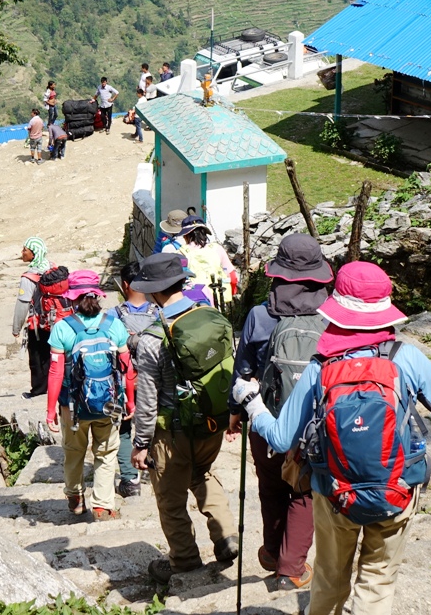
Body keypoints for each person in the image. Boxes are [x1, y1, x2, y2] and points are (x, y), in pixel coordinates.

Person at [233, 261, 431, 615]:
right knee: (377, 580)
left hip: (334, 492)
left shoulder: (320, 366)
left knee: (330, 579)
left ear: (337, 309)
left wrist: (252, 402)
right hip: (397, 487)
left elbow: (282, 440)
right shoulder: (405, 357)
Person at [227, 234, 333, 590]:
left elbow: (242, 369)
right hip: (314, 424)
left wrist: (235, 411)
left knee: (271, 485)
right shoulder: (331, 316)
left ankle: (272, 552)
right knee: (304, 491)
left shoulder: (260, 315)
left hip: (265, 418)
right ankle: (291, 569)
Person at [129, 253, 239, 583]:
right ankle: (226, 537)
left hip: (171, 434)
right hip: (211, 422)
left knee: (170, 500)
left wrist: (140, 444)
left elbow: (147, 400)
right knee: (202, 474)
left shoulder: (151, 338)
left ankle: (184, 562)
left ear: (153, 291)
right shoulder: (209, 316)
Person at [46, 270, 134, 521]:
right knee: (106, 453)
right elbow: (127, 367)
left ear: (72, 298)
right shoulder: (113, 324)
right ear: (97, 294)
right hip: (109, 403)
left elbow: (55, 371)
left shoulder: (63, 328)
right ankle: (103, 506)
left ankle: (75, 497)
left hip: (72, 405)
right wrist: (131, 400)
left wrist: (51, 409)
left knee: (74, 451)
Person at [114, 261, 162, 498]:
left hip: (125, 381)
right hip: (155, 380)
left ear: (124, 285)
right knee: (154, 424)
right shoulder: (159, 314)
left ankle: (130, 480)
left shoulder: (114, 316)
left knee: (123, 429)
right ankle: (156, 469)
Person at [13, 236, 54, 398]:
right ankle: (54, 386)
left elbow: (22, 305)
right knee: (52, 354)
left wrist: (16, 328)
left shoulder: (28, 277)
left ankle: (38, 390)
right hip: (55, 319)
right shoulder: (52, 268)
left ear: (34, 253)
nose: (22, 253)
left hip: (37, 323)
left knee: (37, 358)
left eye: (25, 250)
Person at [178, 216, 236, 303]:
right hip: (219, 300)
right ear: (204, 232)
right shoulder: (217, 249)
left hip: (193, 301)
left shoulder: (181, 253)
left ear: (185, 235)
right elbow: (232, 277)